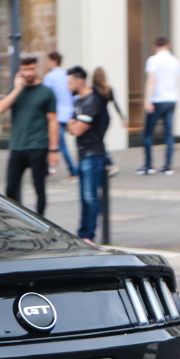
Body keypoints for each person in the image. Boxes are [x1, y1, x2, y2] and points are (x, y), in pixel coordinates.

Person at [0, 55, 58, 216]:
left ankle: (41, 222)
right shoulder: (16, 90)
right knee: (11, 188)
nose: (28, 72)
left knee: (39, 187)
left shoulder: (46, 92)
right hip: (17, 146)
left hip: (38, 145)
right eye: (25, 69)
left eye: (31, 68)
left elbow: (53, 121)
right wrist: (17, 89)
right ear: (20, 71)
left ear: (37, 69)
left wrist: (53, 150)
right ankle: (19, 220)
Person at [67, 66, 110, 242]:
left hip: (93, 153)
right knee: (84, 198)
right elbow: (71, 126)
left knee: (90, 196)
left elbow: (77, 129)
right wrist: (73, 125)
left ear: (80, 81)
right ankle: (83, 233)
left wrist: (74, 125)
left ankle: (88, 235)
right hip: (83, 153)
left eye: (70, 82)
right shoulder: (78, 102)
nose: (67, 86)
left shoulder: (92, 100)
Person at [141, 36, 180, 175]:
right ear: (168, 45)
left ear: (155, 46)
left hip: (157, 99)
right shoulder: (175, 61)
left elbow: (151, 80)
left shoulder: (153, 60)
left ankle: (149, 165)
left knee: (148, 133)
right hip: (171, 99)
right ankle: (168, 165)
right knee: (168, 134)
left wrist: (147, 100)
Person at [42, 51, 78, 178]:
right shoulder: (66, 75)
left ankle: (73, 170)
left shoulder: (50, 77)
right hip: (67, 113)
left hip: (56, 115)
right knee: (55, 142)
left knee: (60, 145)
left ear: (53, 61)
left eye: (48, 61)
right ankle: (46, 168)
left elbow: (44, 95)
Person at [92, 67, 125, 176]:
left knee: (99, 142)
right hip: (106, 119)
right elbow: (115, 104)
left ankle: (110, 163)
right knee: (100, 141)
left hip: (96, 119)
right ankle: (105, 163)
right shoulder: (108, 89)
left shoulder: (93, 90)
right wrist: (122, 117)